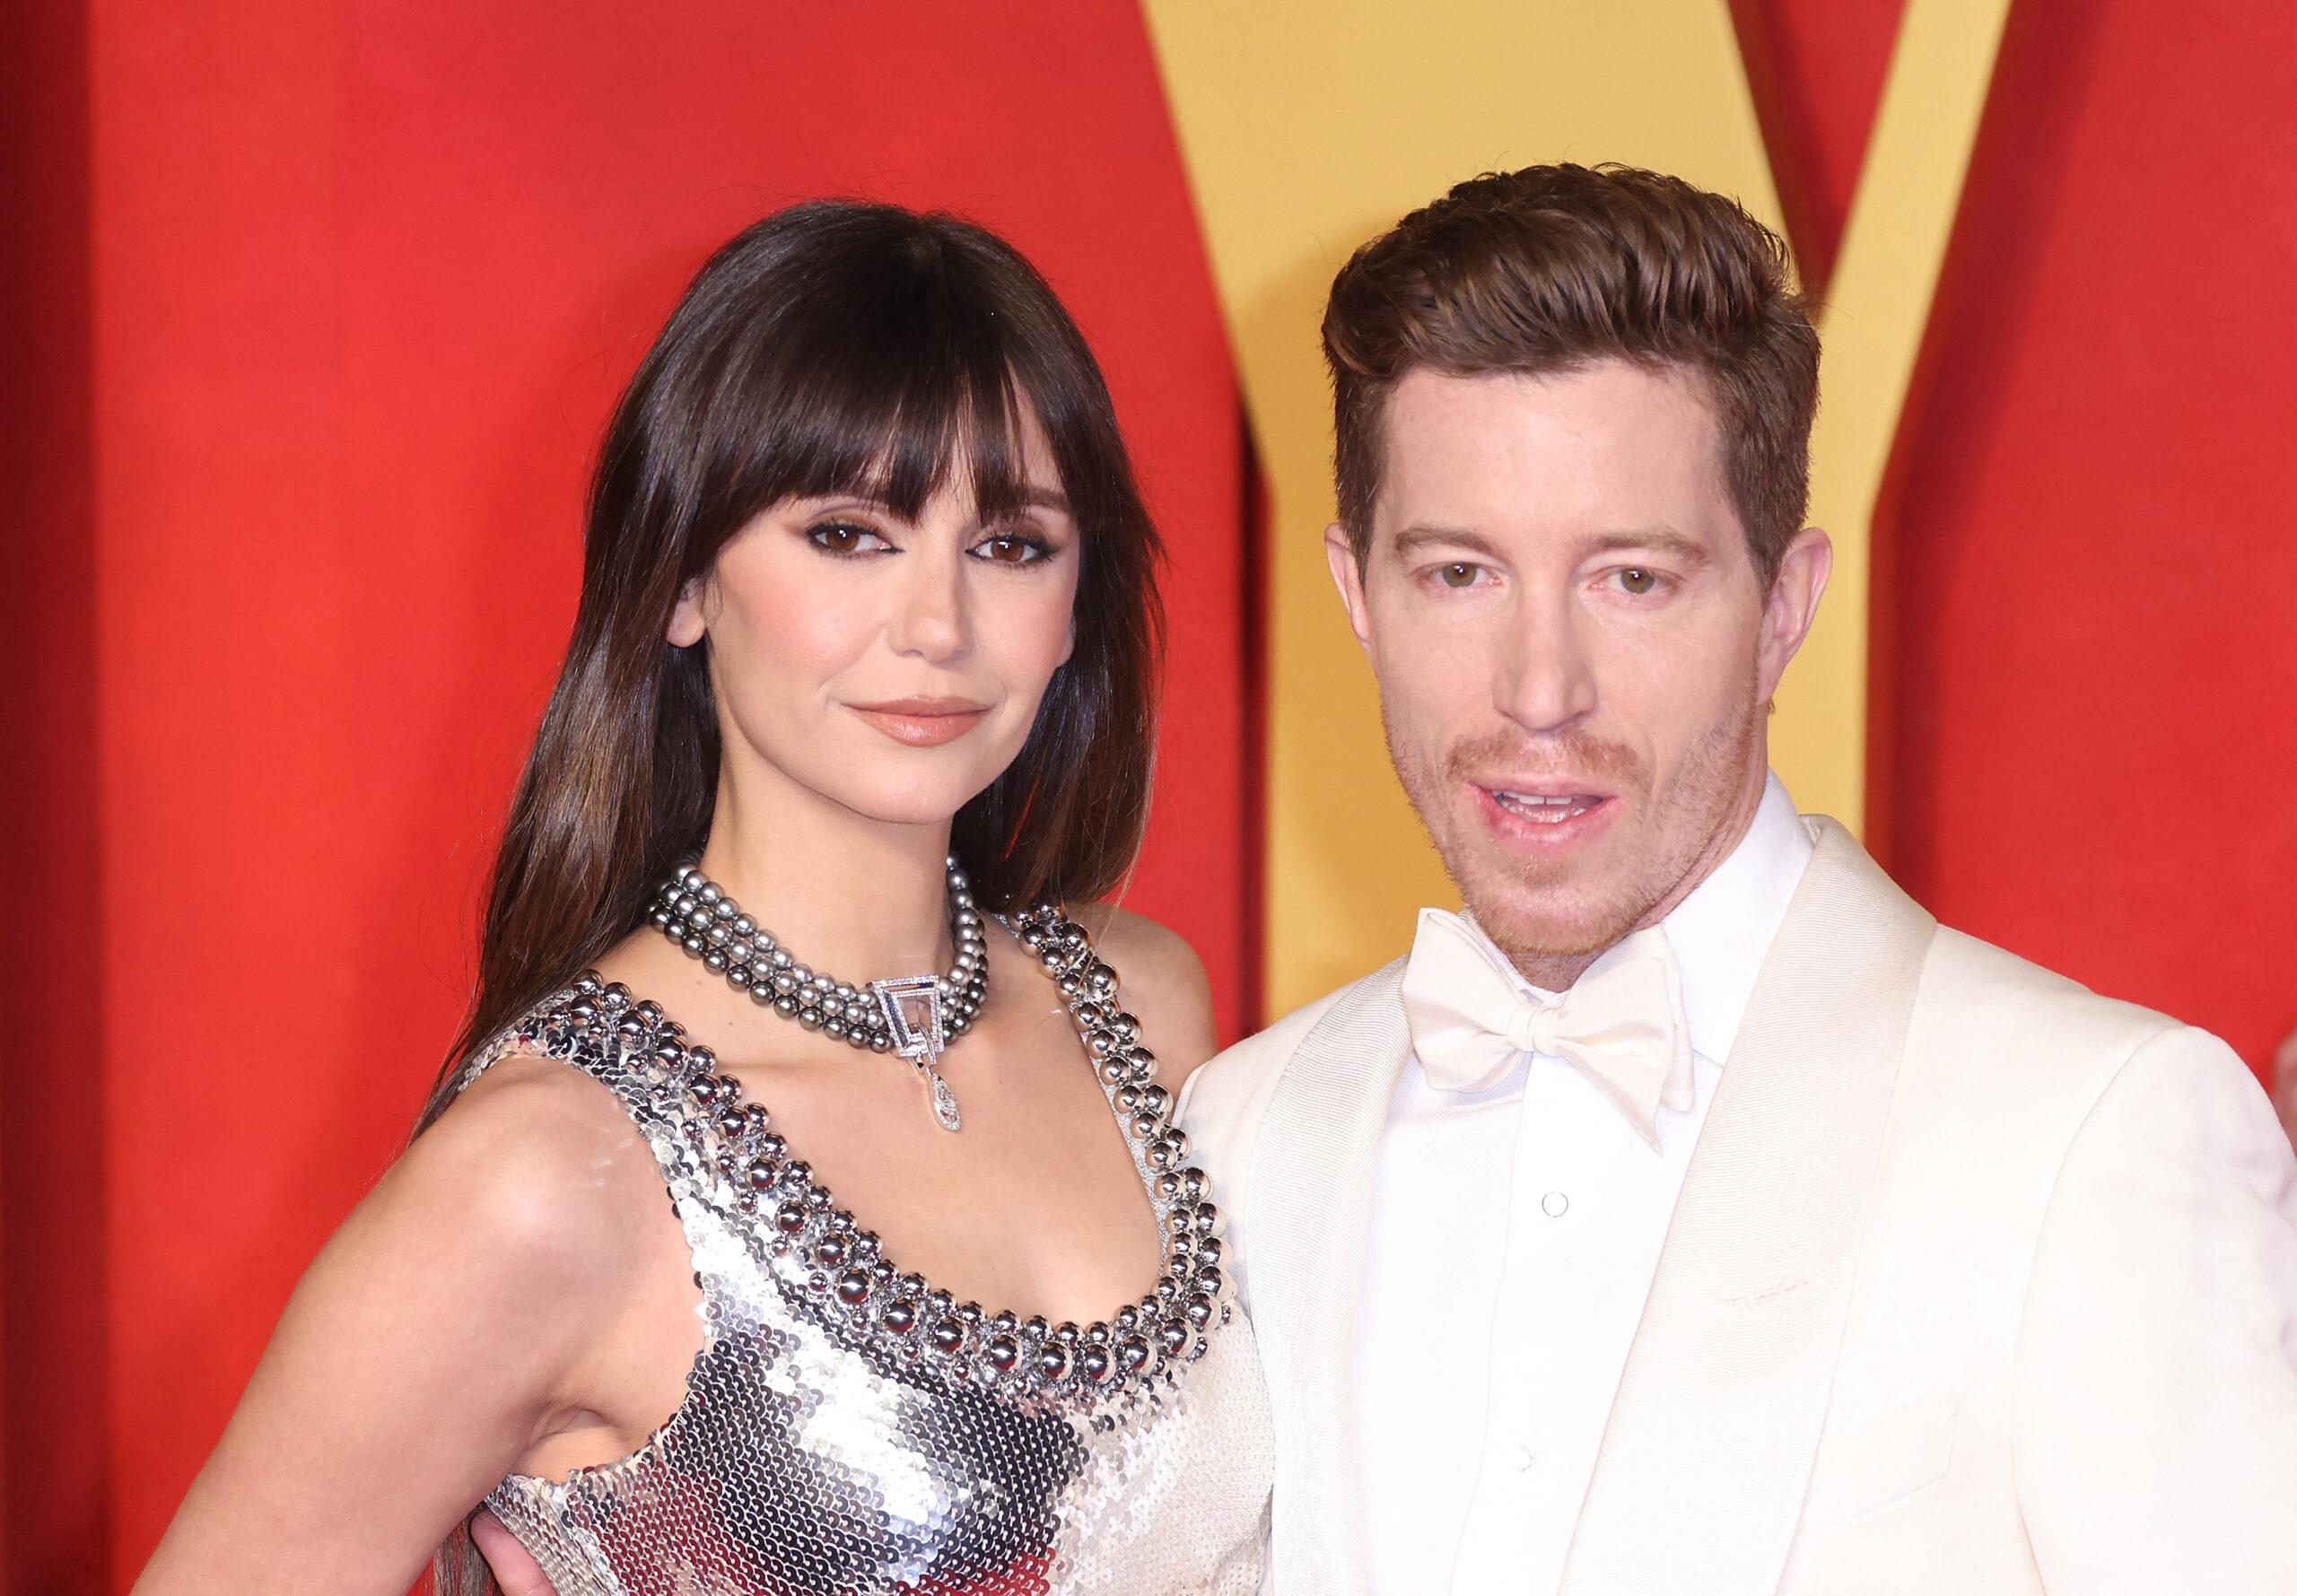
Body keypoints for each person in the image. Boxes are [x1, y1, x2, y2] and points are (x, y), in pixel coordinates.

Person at [1182, 164, 2297, 1595]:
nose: (1540, 690)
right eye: (1459, 574)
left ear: (1783, 608)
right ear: (1358, 596)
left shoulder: (2092, 1127)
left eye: (1632, 580)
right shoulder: (1249, 1130)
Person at [133, 201, 1272, 1596]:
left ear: (1080, 602)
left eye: (1011, 545)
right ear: (682, 582)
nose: (938, 628)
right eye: (849, 535)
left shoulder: (1143, 1004)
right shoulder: (547, 1180)